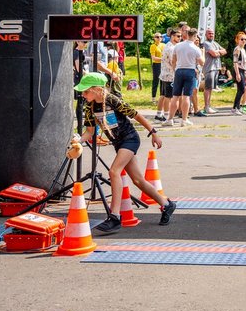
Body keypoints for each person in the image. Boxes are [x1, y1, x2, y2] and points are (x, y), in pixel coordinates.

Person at [72, 72, 176, 234]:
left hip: (130, 139)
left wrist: (153, 132)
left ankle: (114, 217)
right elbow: (89, 132)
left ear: (97, 89)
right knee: (137, 180)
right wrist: (78, 141)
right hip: (118, 143)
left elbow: (136, 115)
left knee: (114, 171)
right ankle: (167, 204)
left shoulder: (112, 100)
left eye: (86, 91)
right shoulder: (89, 107)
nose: (83, 95)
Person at [167, 28, 204, 125]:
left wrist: (175, 70)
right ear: (195, 36)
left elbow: (173, 60)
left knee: (175, 96)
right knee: (186, 96)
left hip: (179, 70)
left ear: (187, 35)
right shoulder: (195, 48)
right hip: (190, 71)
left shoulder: (178, 46)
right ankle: (184, 120)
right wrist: (202, 53)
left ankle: (170, 119)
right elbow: (202, 62)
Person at [154, 28, 180, 122]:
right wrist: (177, 72)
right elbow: (173, 62)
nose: (180, 38)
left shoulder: (167, 46)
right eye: (178, 36)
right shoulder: (171, 48)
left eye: (180, 36)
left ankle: (158, 115)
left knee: (163, 95)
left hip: (164, 74)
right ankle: (166, 116)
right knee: (168, 97)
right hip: (170, 75)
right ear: (172, 36)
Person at [200, 27, 227, 116]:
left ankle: (208, 106)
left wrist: (217, 51)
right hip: (209, 68)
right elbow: (214, 54)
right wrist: (218, 52)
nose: (211, 35)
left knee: (211, 88)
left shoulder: (215, 43)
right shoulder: (206, 43)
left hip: (216, 68)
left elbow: (225, 51)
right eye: (209, 33)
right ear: (206, 34)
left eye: (212, 33)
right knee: (207, 88)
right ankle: (206, 107)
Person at [231, 31, 246, 115]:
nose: (244, 41)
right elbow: (235, 62)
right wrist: (237, 74)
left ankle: (238, 107)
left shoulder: (243, 50)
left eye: (245, 39)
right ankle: (235, 108)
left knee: (241, 89)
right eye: (242, 39)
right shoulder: (237, 49)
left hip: (242, 70)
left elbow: (244, 63)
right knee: (242, 89)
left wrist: (245, 74)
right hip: (237, 70)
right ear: (237, 40)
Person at [149, 32, 164, 104]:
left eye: (160, 37)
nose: (159, 38)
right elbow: (153, 58)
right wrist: (163, 59)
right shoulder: (153, 46)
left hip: (163, 65)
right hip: (156, 65)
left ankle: (162, 97)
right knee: (156, 81)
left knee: (163, 81)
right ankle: (153, 98)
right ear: (154, 38)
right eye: (157, 37)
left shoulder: (164, 45)